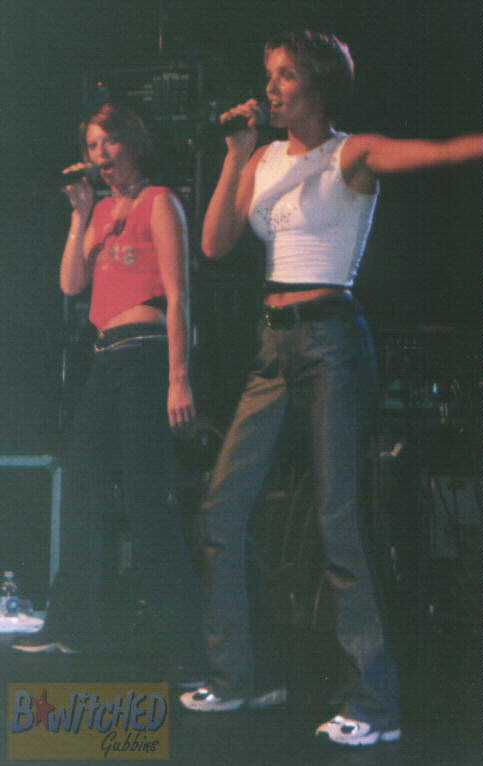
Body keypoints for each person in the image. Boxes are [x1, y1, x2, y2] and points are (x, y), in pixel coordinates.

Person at [179, 31, 481, 745]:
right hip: (271, 346)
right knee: (222, 508)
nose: (271, 88)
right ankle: (239, 678)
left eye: (285, 76)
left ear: (318, 85)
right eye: (269, 75)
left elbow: (443, 152)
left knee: (337, 520)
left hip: (331, 341)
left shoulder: (353, 153)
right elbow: (215, 245)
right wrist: (234, 154)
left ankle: (373, 704)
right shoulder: (260, 158)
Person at [13, 103, 202, 664]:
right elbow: (71, 284)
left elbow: (179, 295)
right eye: (93, 146)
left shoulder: (159, 201)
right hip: (105, 358)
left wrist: (179, 378)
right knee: (80, 487)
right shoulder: (96, 211)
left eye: (109, 143)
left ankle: (184, 645)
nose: (100, 155)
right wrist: (79, 216)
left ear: (133, 144)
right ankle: (70, 625)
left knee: (146, 501)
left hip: (146, 355)